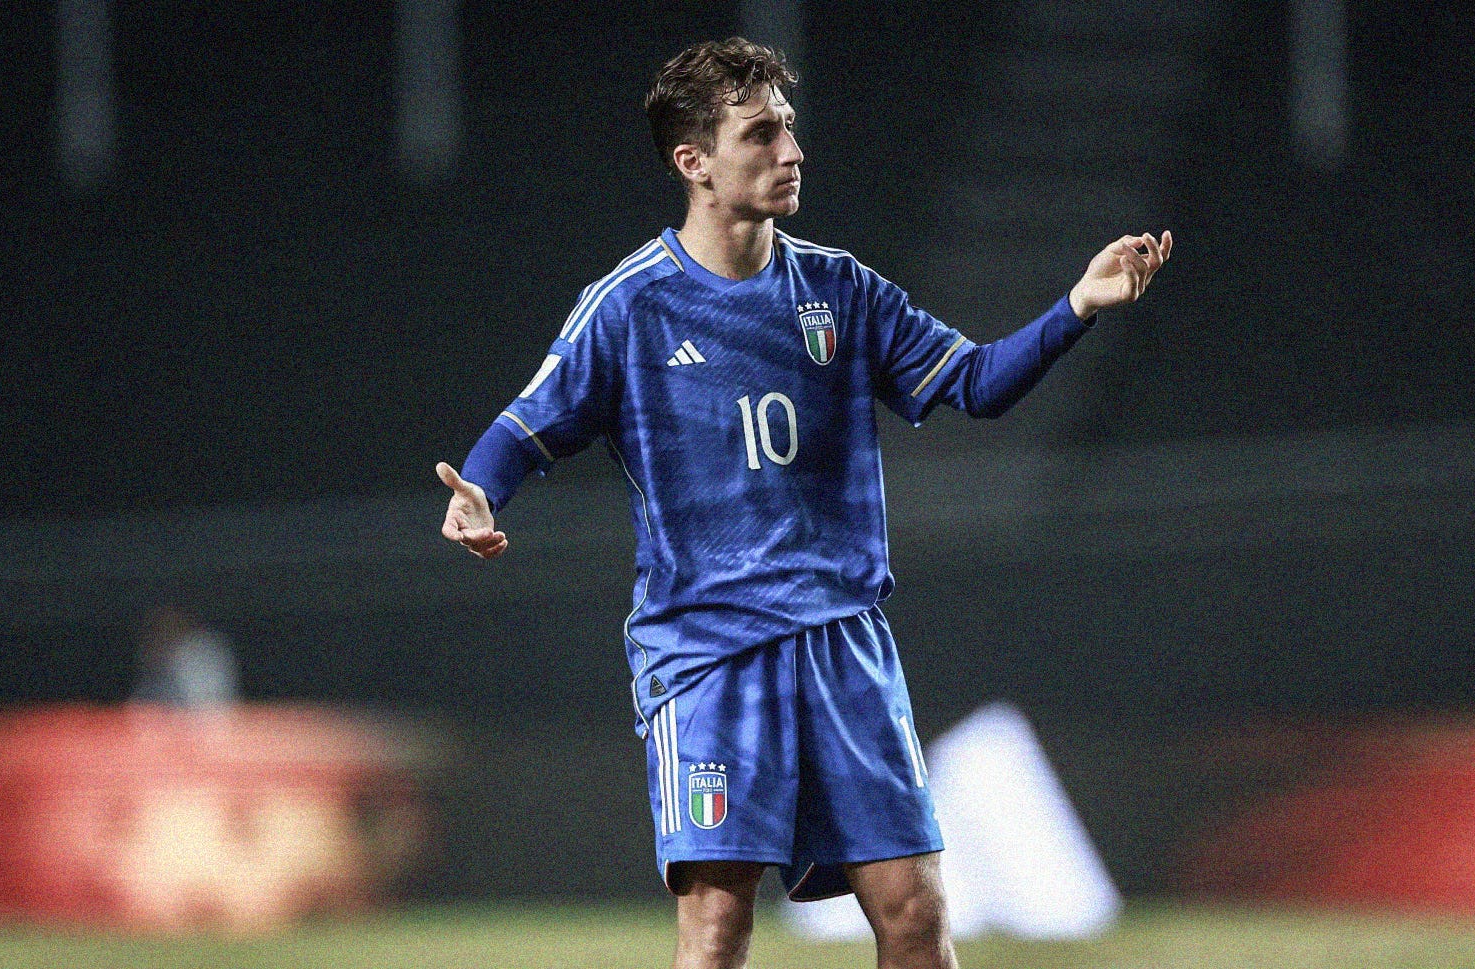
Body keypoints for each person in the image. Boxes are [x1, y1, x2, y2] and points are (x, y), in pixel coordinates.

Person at [436, 38, 1171, 969]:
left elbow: (976, 383)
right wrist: (478, 495)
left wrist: (1077, 306)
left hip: (842, 643)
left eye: (789, 127)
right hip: (708, 652)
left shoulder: (840, 289)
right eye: (761, 132)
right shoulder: (630, 306)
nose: (791, 151)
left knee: (914, 916)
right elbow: (527, 425)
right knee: (716, 931)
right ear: (693, 162)